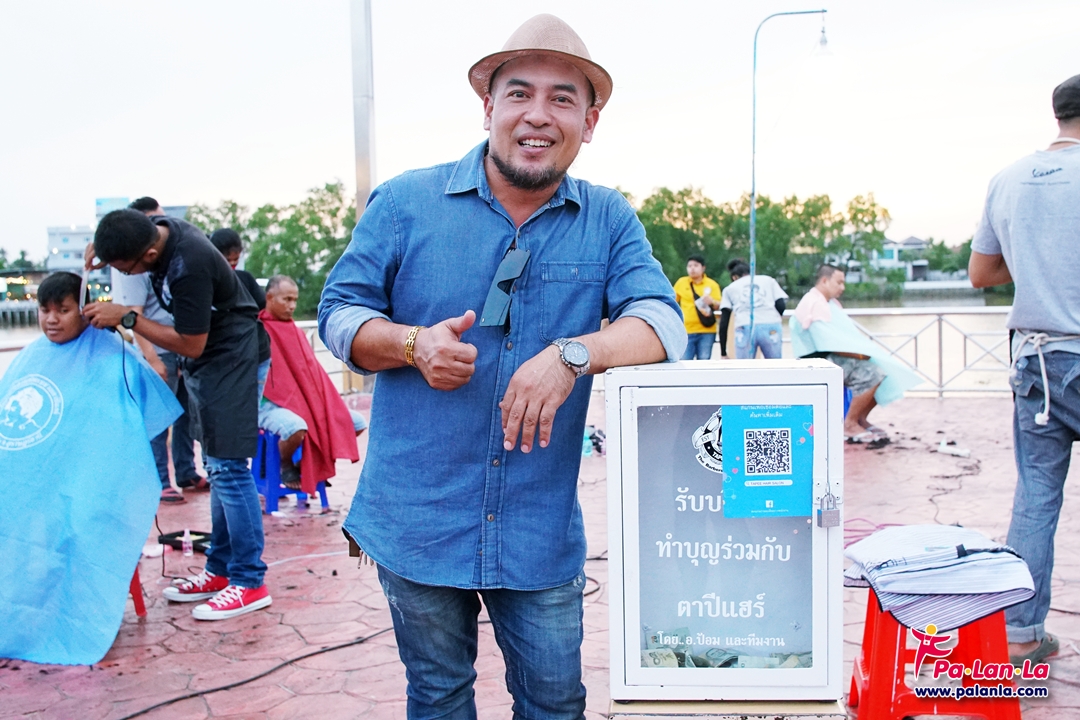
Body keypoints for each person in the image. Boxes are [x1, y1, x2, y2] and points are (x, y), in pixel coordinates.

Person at [318, 14, 684, 717]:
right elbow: (339, 313)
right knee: (438, 695)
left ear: (589, 121)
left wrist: (572, 355)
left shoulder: (608, 218)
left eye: (562, 99)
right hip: (416, 519)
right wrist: (411, 344)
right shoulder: (404, 202)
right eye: (519, 94)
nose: (538, 115)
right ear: (488, 107)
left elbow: (662, 323)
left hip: (537, 529)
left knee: (554, 702)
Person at [85, 209, 272, 621]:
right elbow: (133, 224)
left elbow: (190, 344)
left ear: (150, 255)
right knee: (217, 466)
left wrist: (128, 318)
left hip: (230, 355)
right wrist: (102, 249)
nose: (124, 276)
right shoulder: (159, 230)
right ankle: (221, 570)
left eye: (125, 269)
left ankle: (249, 581)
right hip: (210, 360)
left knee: (228, 467)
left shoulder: (189, 264)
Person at [0, 272, 180, 664]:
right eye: (44, 310)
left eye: (63, 310)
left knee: (78, 514)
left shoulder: (111, 355)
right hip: (36, 478)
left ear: (85, 311)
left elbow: (128, 427)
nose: (51, 319)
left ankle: (77, 612)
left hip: (91, 479)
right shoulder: (31, 357)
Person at [968, 74, 1080, 666]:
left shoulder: (1007, 179)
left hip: (1037, 362)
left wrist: (1038, 263)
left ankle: (1021, 635)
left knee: (1036, 497)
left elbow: (982, 275)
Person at [111, 196, 205, 503]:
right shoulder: (134, 264)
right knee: (158, 416)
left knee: (185, 414)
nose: (162, 227)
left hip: (179, 342)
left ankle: (186, 471)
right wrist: (152, 358)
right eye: (154, 220)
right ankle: (161, 480)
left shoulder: (166, 256)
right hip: (157, 347)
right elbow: (132, 315)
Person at [790, 264, 920, 441]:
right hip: (816, 360)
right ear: (825, 281)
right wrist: (857, 354)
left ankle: (859, 418)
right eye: (839, 282)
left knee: (881, 370)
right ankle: (849, 423)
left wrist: (860, 352)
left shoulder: (827, 303)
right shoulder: (814, 303)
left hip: (829, 356)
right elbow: (826, 341)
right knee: (872, 373)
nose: (842, 287)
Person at [259, 274, 362, 492]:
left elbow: (311, 372)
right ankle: (285, 465)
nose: (292, 306)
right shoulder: (257, 330)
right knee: (296, 427)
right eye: (287, 299)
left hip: (305, 400)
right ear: (269, 297)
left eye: (295, 300)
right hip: (268, 403)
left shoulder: (295, 331)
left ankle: (308, 466)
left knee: (355, 423)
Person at [718, 259, 788, 359]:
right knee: (774, 363)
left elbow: (724, 321)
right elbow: (781, 305)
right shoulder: (768, 280)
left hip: (744, 325)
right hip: (770, 323)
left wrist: (723, 352)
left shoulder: (730, 288)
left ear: (734, 277)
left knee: (745, 365)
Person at [673, 254, 721, 359]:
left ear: (703, 268)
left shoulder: (712, 285)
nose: (692, 269)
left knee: (704, 361)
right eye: (689, 266)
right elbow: (672, 302)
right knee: (685, 361)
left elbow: (719, 306)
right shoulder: (681, 283)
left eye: (695, 265)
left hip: (707, 331)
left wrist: (712, 302)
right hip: (686, 330)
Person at [209, 228, 266, 311]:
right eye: (227, 260)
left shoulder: (245, 279)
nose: (232, 263)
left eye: (236, 259)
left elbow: (263, 304)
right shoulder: (208, 280)